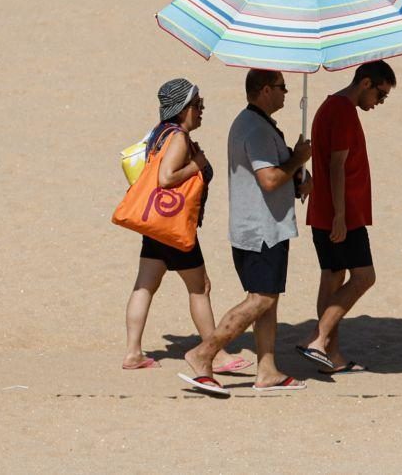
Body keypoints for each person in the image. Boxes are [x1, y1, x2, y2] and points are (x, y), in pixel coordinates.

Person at [178, 69, 312, 396]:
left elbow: (268, 177)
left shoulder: (256, 124)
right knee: (260, 299)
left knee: (268, 301)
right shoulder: (255, 128)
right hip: (260, 229)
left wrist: (297, 176)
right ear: (265, 90)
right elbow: (267, 179)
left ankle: (266, 371)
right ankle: (203, 353)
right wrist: (298, 158)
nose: (286, 92)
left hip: (263, 226)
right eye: (282, 87)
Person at [122, 78, 249, 375]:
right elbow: (166, 178)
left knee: (145, 285)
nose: (202, 110)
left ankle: (133, 352)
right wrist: (198, 163)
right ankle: (214, 355)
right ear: (182, 109)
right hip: (174, 226)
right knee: (200, 287)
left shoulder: (159, 133)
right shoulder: (177, 137)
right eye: (197, 105)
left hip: (155, 224)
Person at [297, 60, 396, 375]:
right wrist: (340, 215)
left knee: (333, 277)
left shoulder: (333, 107)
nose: (379, 103)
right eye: (380, 95)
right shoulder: (341, 111)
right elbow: (337, 165)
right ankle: (318, 339)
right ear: (366, 83)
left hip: (327, 213)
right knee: (364, 277)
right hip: (342, 215)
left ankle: (332, 354)